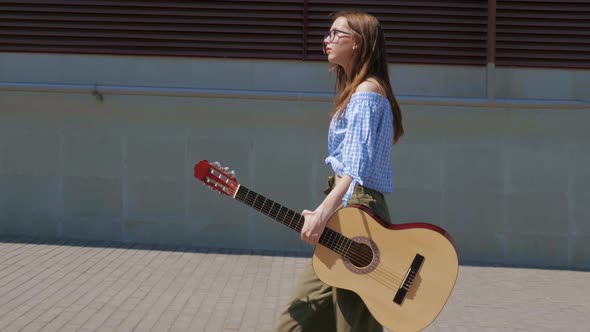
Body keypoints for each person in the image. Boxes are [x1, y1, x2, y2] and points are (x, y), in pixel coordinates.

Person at [274, 10, 404, 332]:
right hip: (347, 211)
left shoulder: (366, 94)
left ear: (356, 43)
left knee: (355, 324)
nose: (326, 40)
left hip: (360, 212)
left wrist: (320, 214)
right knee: (297, 320)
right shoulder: (358, 91)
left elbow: (355, 170)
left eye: (335, 34)